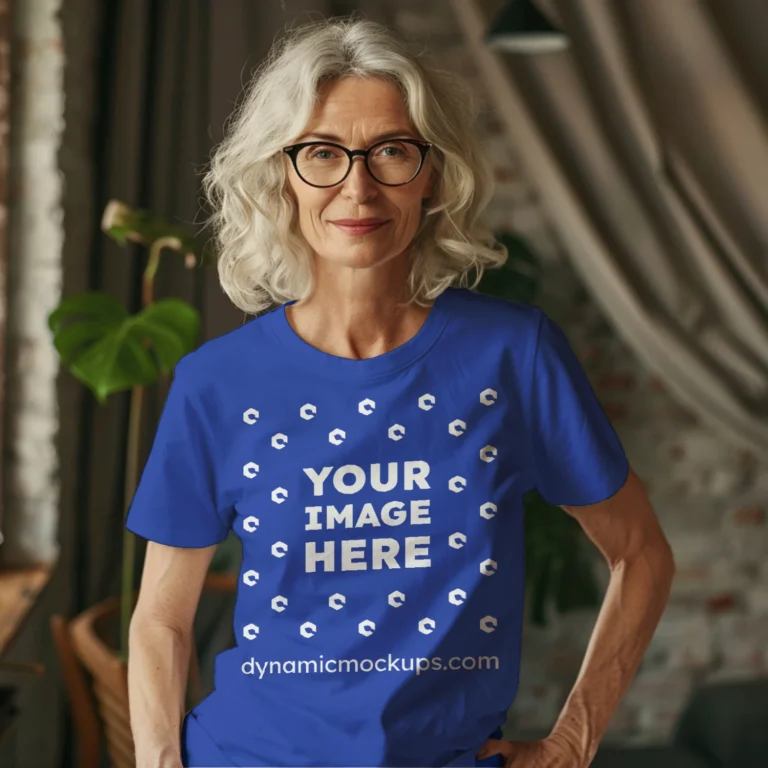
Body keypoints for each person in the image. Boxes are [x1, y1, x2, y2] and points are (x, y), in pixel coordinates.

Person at [125, 14, 676, 768]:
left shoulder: (512, 355)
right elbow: (161, 619)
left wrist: (575, 739)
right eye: (322, 152)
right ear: (282, 176)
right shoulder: (216, 383)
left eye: (390, 151)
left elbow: (641, 553)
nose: (357, 185)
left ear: (434, 175)